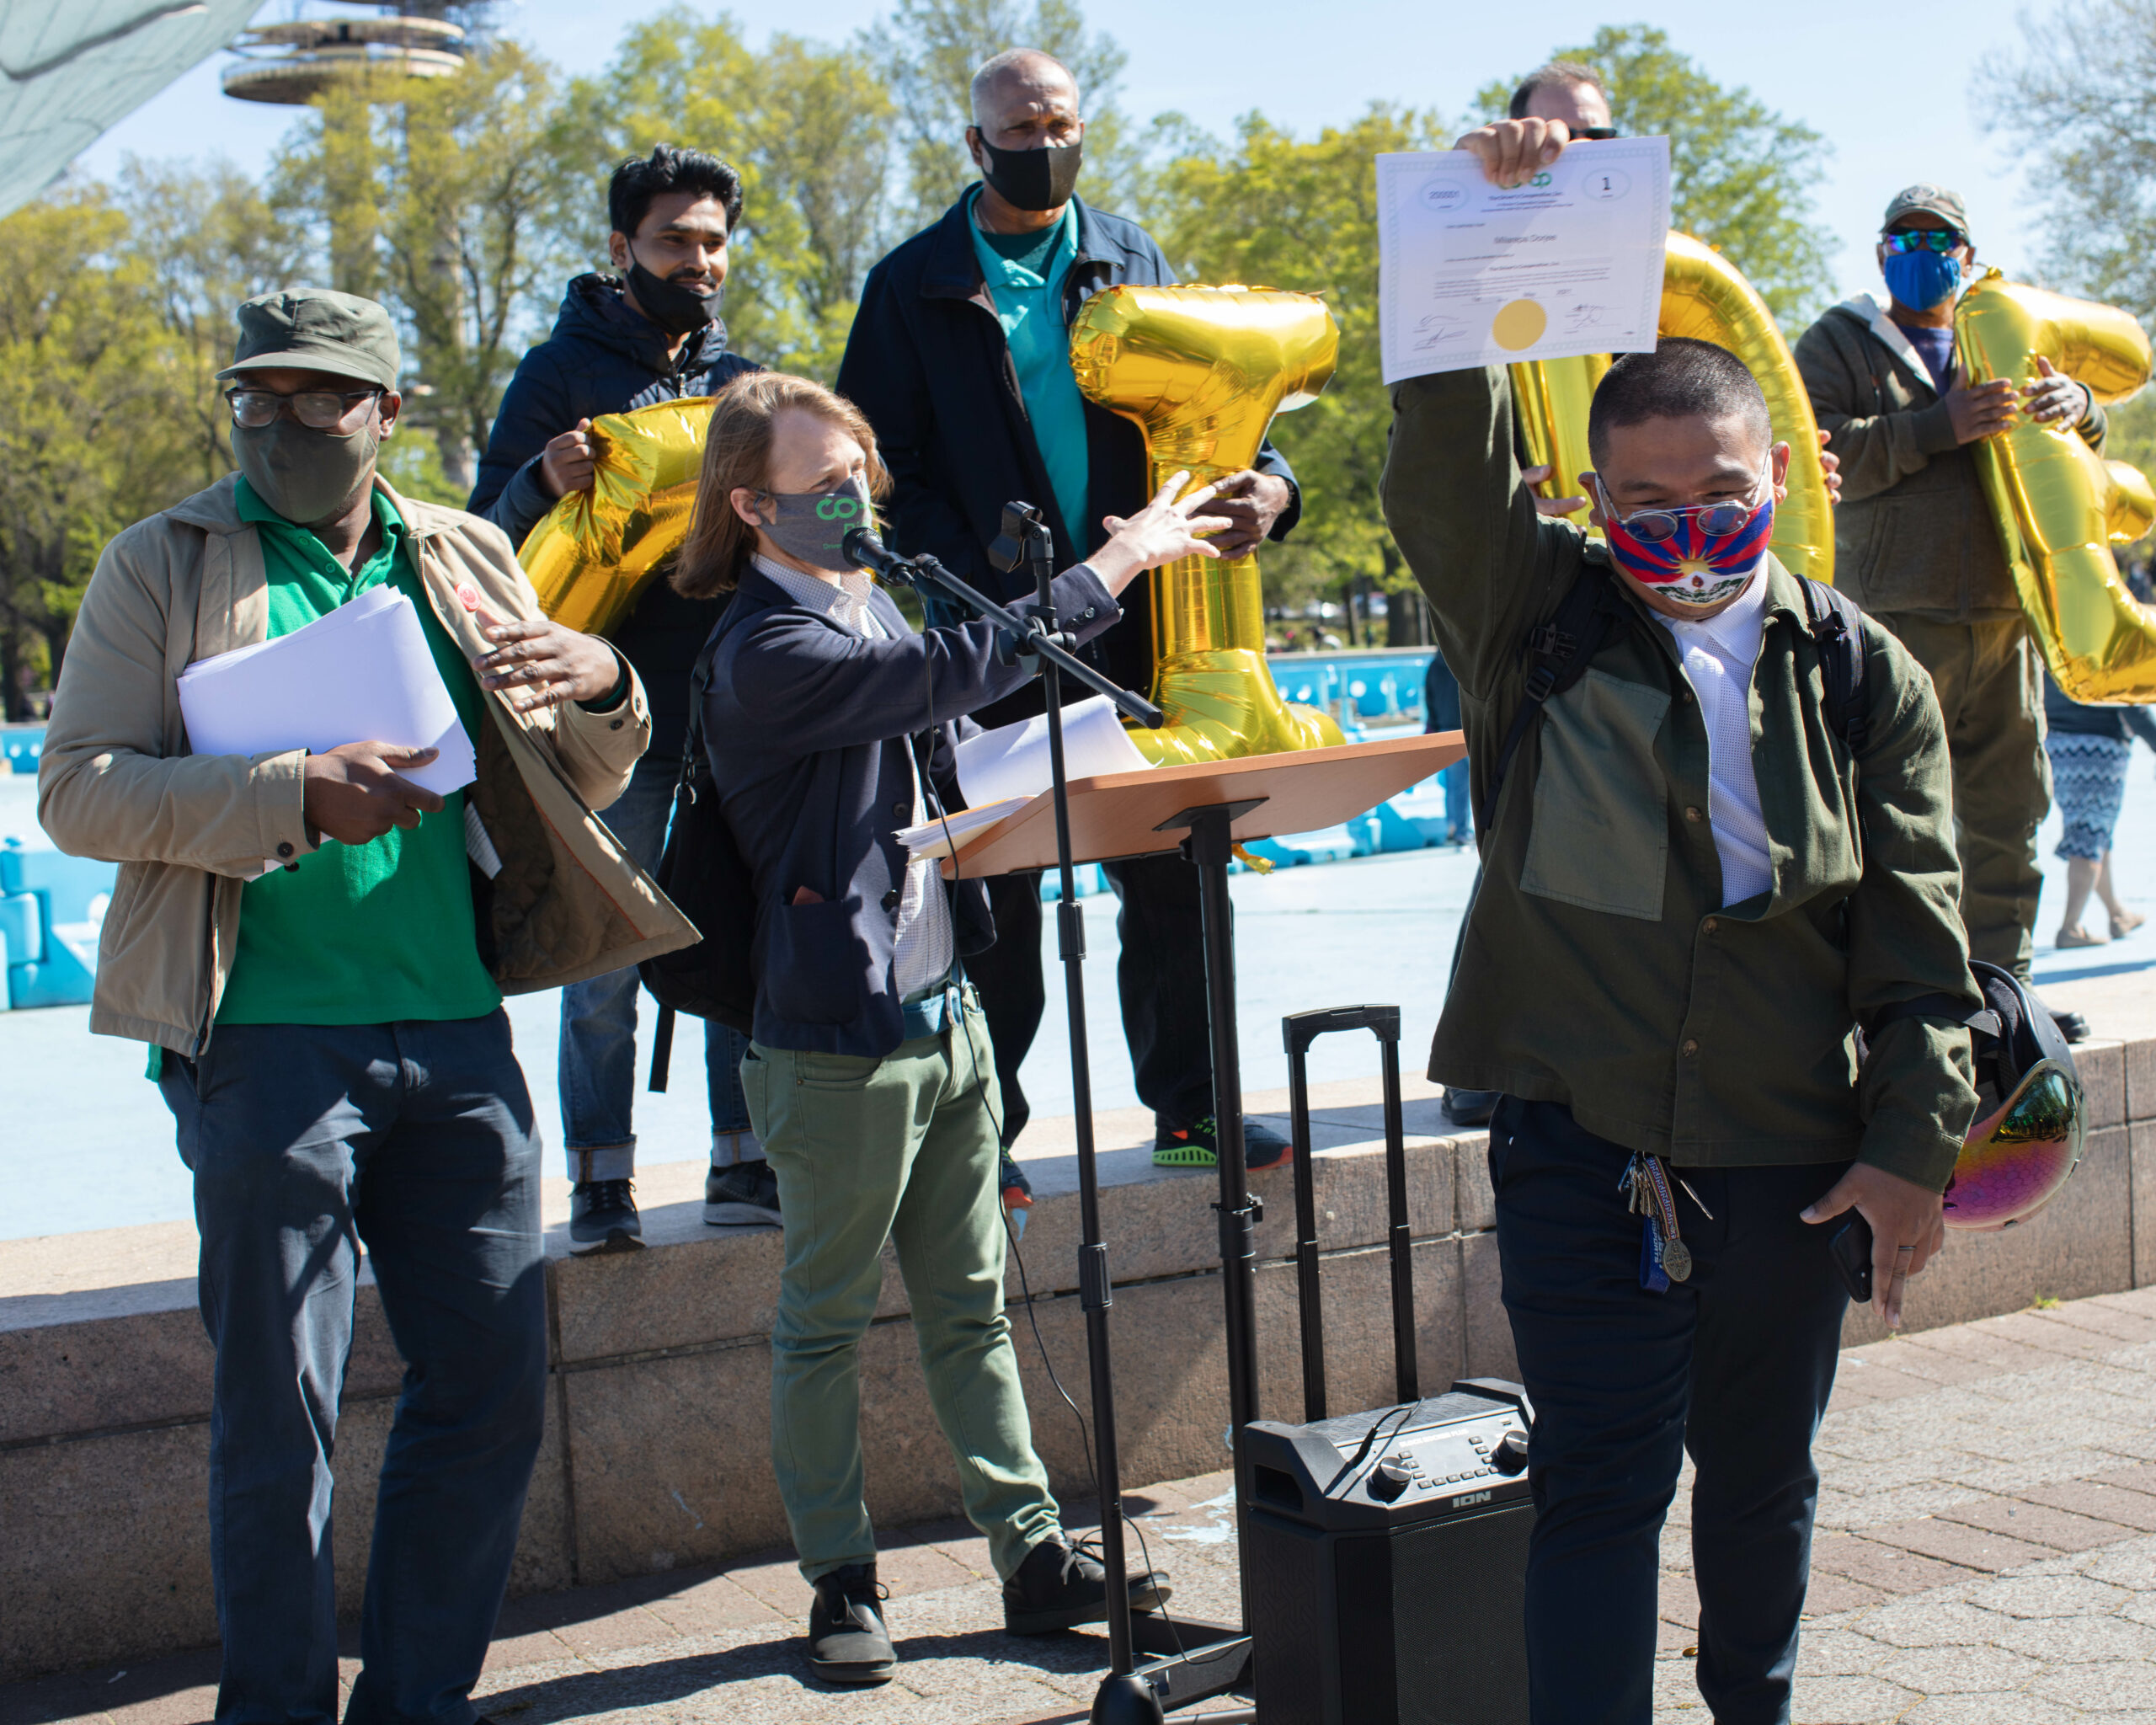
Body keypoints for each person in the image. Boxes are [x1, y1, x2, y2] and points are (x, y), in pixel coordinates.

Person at [1384, 117, 1983, 1725]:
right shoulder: (1540, 621)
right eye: (1642, 500)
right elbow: (1440, 468)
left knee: (1762, 1490)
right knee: (1598, 1491)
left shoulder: (1866, 674)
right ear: (1590, 494)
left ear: (1779, 474)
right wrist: (1474, 225)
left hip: (1792, 1155)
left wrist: (1913, 1145)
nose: (1687, 528)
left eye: (1720, 493)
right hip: (1581, 1142)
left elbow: (1926, 936)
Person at [37, 288, 687, 1725]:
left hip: (460, 1031)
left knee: (494, 1388)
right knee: (282, 1415)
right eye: (253, 397)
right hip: (265, 1042)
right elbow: (77, 788)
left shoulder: (463, 549)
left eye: (317, 397)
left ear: (388, 413)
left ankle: (415, 1698)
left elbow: (574, 774)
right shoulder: (165, 559)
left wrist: (609, 681)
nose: (279, 422)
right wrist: (287, 789)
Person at [673, 372, 1210, 1682]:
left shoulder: (875, 606)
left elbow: (950, 732)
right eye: (826, 484)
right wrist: (1112, 567)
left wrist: (1066, 762)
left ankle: (1029, 1552)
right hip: (832, 1041)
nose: (858, 499)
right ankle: (839, 1584)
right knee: (826, 1319)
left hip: (948, 1015)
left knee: (970, 1304)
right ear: (752, 507)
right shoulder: (762, 649)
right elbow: (936, 677)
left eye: (865, 471)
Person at [836, 47, 1301, 1172]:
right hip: (994, 635)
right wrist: (979, 585)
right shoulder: (913, 283)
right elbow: (876, 461)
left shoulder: (1129, 256)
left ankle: (1194, 1110)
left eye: (1062, 122)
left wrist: (1273, 489)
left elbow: (1220, 393)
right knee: (1000, 893)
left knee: (1176, 871)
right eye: (1020, 127)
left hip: (1146, 625)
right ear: (973, 143)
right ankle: (982, 1136)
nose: (1045, 145)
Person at [469, 143, 766, 1252]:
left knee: (735, 933)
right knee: (603, 961)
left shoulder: (751, 385)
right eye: (673, 241)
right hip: (599, 723)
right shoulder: (557, 373)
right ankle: (603, 1181)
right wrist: (541, 480)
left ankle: (746, 1161)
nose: (698, 261)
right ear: (619, 248)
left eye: (712, 242)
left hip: (732, 703)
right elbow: (477, 536)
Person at [1796, 185, 2102, 1012]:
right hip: (1894, 623)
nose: (1924, 252)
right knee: (1893, 818)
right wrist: (1937, 425)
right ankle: (1906, 1003)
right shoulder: (1837, 339)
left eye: (1942, 240)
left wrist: (2082, 409)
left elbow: (2080, 449)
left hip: (2007, 620)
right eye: (1905, 237)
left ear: (1969, 256)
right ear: (1879, 251)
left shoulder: (2003, 331)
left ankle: (2006, 997)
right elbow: (1814, 455)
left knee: (2009, 813)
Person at [2043, 662, 2156, 947]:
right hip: (2099, 747)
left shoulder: (2058, 637)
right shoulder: (2103, 646)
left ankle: (2118, 913)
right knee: (2088, 837)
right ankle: (2070, 927)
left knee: (2095, 832)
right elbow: (2129, 700)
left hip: (2056, 744)